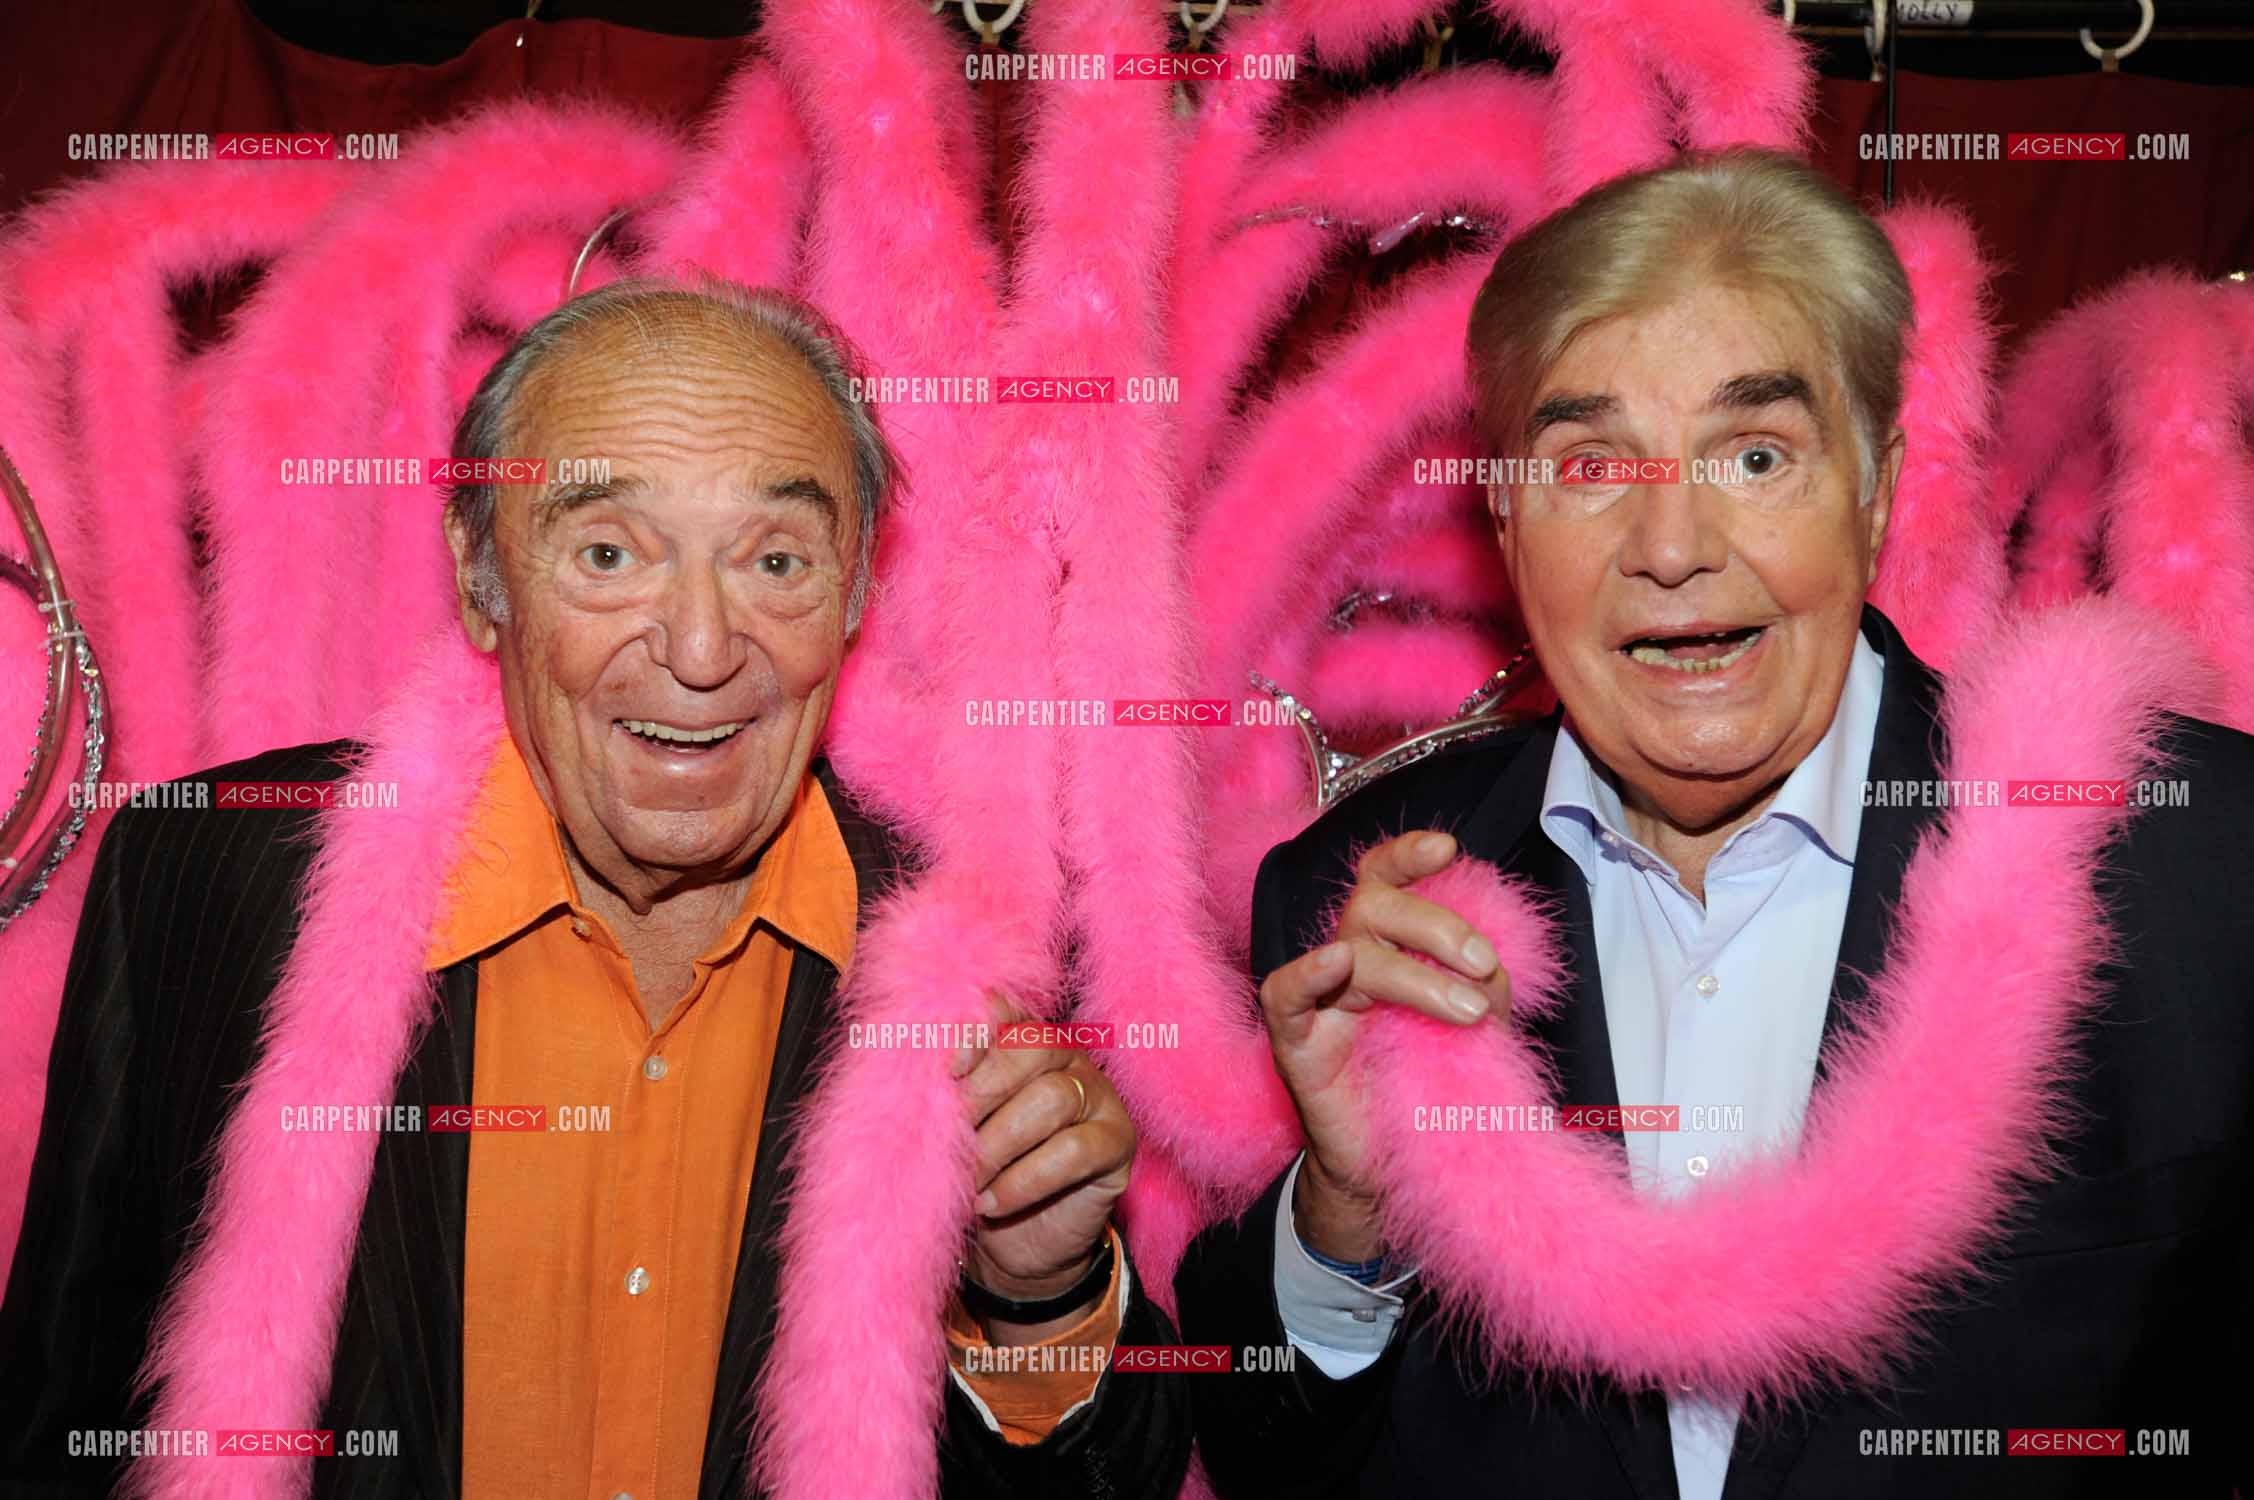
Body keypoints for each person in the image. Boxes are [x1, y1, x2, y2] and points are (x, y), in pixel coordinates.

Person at [1175, 148, 2253, 1499]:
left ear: (1871, 489)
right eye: (1587, 467)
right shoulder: (1350, 906)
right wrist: (1341, 1221)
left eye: (1751, 453)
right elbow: (1261, 1453)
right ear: (1502, 518)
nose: (1671, 543)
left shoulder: (2201, 863)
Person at [0, 278, 1189, 1499]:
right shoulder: (209, 880)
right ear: (483, 579)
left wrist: (1036, 1299)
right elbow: (57, 1420)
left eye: (775, 559)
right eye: (610, 553)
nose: (699, 648)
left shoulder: (966, 977)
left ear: (853, 600)